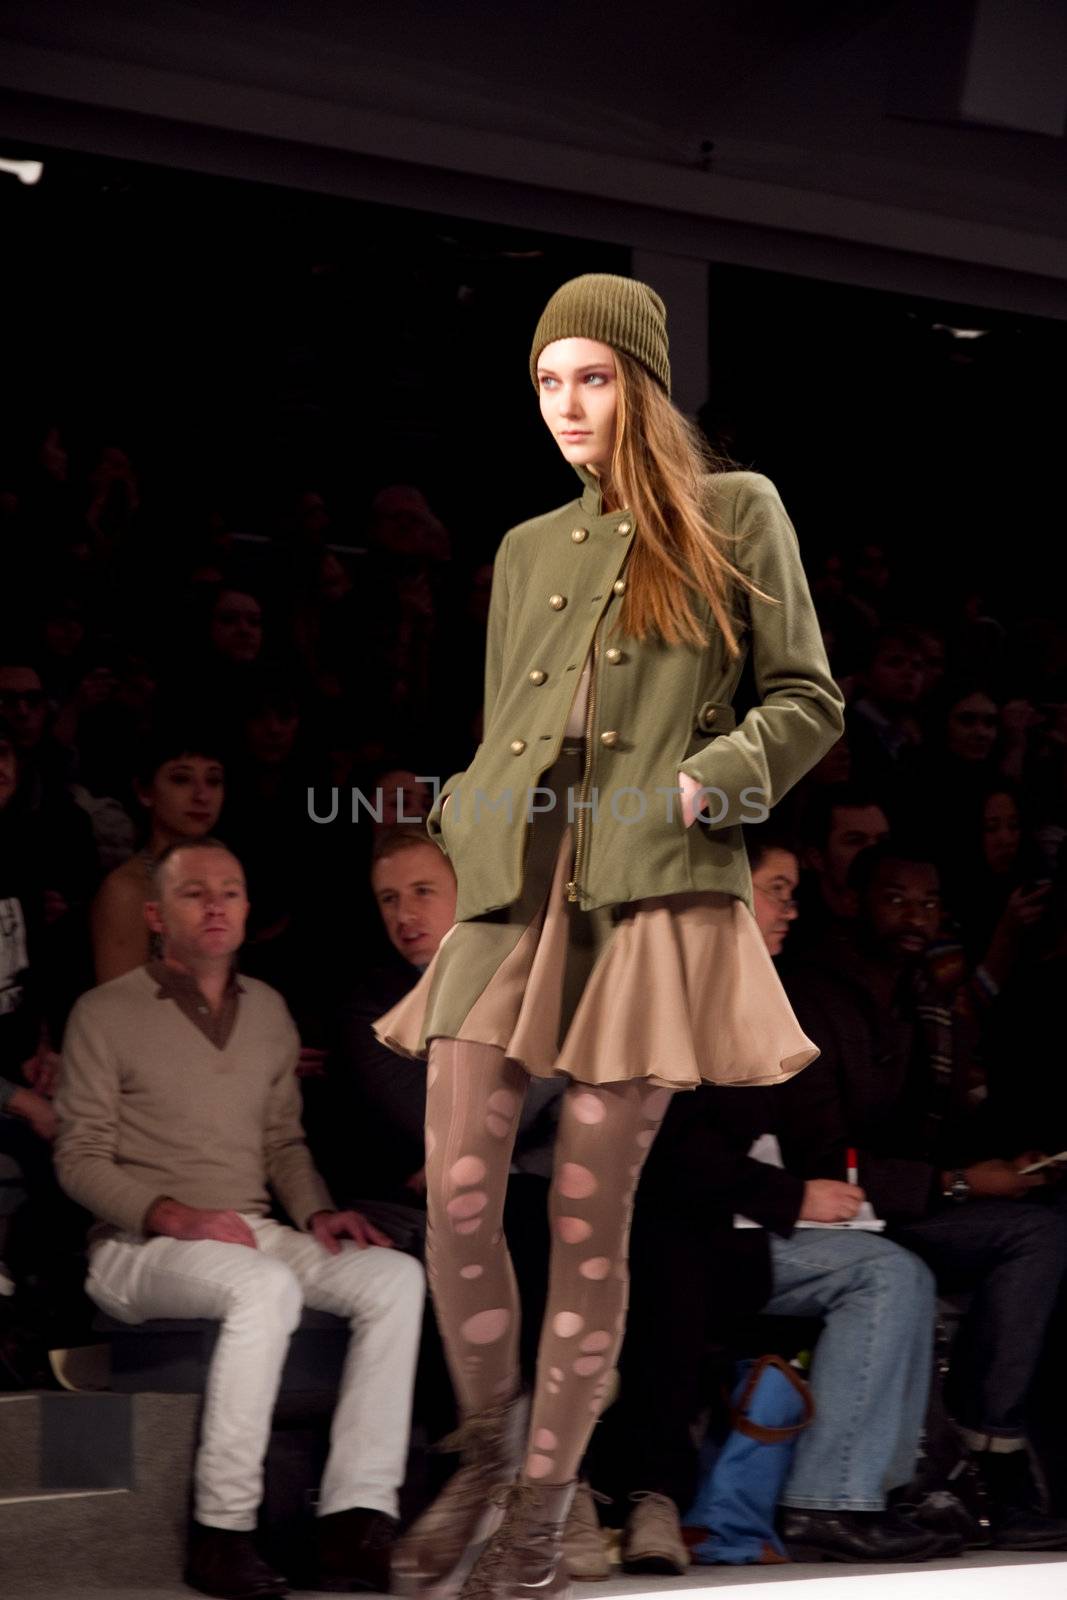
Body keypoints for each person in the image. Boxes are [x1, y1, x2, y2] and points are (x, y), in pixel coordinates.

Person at [374, 274, 844, 1600]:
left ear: (640, 378)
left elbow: (806, 696)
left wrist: (723, 774)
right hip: (513, 878)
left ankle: (540, 1507)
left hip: (651, 878)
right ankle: (483, 1451)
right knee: (458, 1190)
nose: (567, 408)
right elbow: (501, 718)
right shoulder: (526, 545)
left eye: (590, 377)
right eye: (545, 383)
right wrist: (469, 806)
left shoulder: (734, 511)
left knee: (590, 1213)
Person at [54, 837, 425, 1599]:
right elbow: (78, 1158)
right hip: (136, 1244)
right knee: (262, 1287)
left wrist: (319, 1212)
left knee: (391, 1278)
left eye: (230, 890)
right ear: (157, 915)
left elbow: (283, 1143)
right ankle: (223, 1531)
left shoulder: (268, 1012)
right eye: (195, 892)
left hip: (245, 1231)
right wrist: (172, 1214)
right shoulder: (104, 1012)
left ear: (249, 910)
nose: (216, 904)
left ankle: (355, 1522)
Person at [577, 835, 946, 1571]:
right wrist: (792, 1195)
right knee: (884, 1275)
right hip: (671, 1235)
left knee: (897, 1268)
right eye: (776, 889)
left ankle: (865, 1492)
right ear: (723, 895)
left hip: (735, 1223)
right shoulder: (665, 994)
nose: (790, 907)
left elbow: (806, 1125)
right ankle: (830, 1501)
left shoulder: (755, 995)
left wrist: (840, 1184)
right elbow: (668, 1151)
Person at [784, 839, 1067, 1551]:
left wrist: (1000, 1164)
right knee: (1017, 1237)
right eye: (895, 899)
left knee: (1040, 1225)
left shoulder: (922, 1000)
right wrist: (961, 1183)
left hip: (900, 1205)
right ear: (849, 901)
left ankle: (986, 1447)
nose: (916, 917)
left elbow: (931, 1130)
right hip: (820, 1214)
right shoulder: (807, 992)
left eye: (930, 903)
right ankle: (975, 1461)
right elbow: (819, 1158)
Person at [90, 726, 226, 982]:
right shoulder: (127, 890)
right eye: (181, 779)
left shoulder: (226, 871)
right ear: (145, 791)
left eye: (213, 781)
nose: (202, 795)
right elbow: (116, 1008)